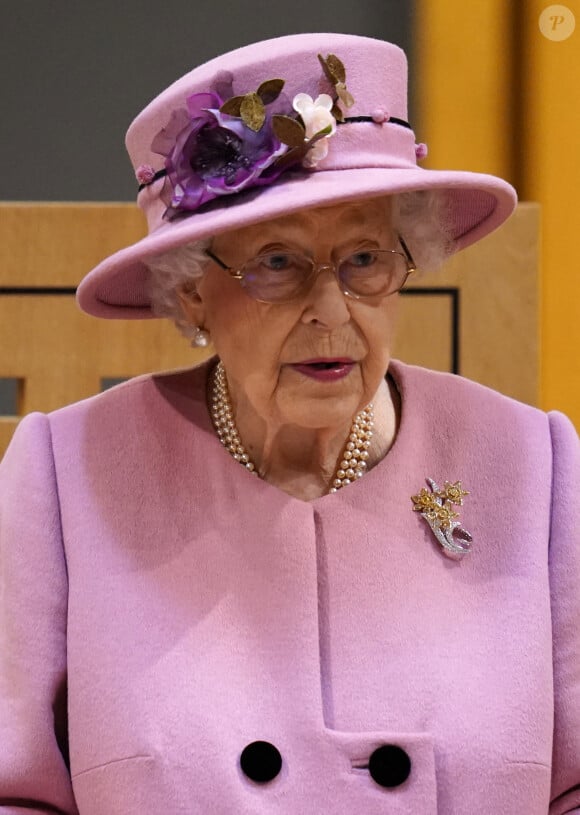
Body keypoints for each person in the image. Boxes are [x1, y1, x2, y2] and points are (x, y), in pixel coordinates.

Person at [0, 31, 578, 815]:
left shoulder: (536, 465)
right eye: (277, 263)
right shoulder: (68, 474)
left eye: (367, 259)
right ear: (193, 292)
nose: (332, 311)